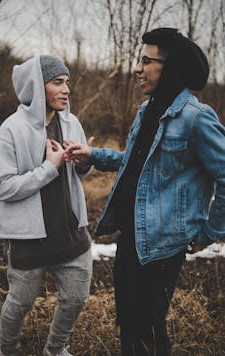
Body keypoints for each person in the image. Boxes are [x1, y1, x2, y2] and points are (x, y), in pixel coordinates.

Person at [64, 28, 225, 355]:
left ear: (171, 68)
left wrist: (209, 232)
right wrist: (93, 154)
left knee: (147, 327)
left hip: (163, 243)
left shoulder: (196, 118)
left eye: (146, 61)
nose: (138, 68)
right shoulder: (146, 110)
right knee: (128, 322)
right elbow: (136, 164)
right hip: (132, 234)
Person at [0, 55, 93, 356]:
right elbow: (0, 186)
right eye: (57, 83)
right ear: (37, 86)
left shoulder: (71, 122)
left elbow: (80, 172)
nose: (66, 90)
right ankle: (7, 351)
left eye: (67, 83)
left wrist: (85, 162)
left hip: (71, 234)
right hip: (28, 240)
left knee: (75, 300)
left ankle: (56, 350)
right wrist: (49, 168)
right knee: (19, 304)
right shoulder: (10, 131)